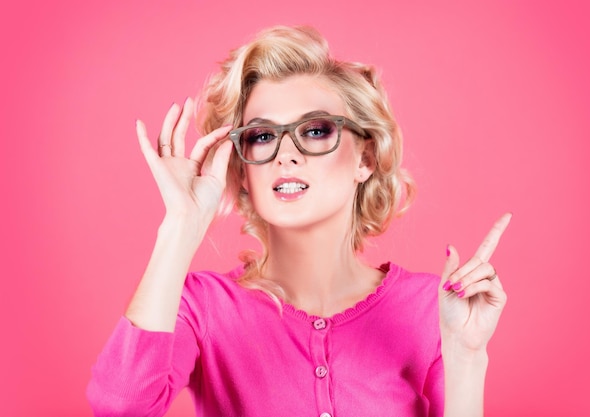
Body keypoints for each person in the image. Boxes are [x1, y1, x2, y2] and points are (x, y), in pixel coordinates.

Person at [87, 25, 511, 417]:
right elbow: (119, 407)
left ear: (364, 158)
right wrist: (180, 225)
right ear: (243, 168)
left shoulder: (431, 309)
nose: (286, 154)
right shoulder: (202, 307)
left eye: (314, 130)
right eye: (262, 136)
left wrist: (467, 357)